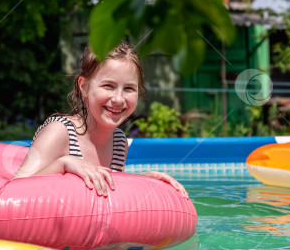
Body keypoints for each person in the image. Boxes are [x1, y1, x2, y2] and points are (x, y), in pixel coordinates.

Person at [13, 42, 188, 199]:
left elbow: (109, 194)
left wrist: (143, 180)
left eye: (129, 88)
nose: (119, 99)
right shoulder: (60, 132)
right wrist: (63, 164)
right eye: (108, 86)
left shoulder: (119, 143)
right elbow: (13, 191)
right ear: (84, 87)